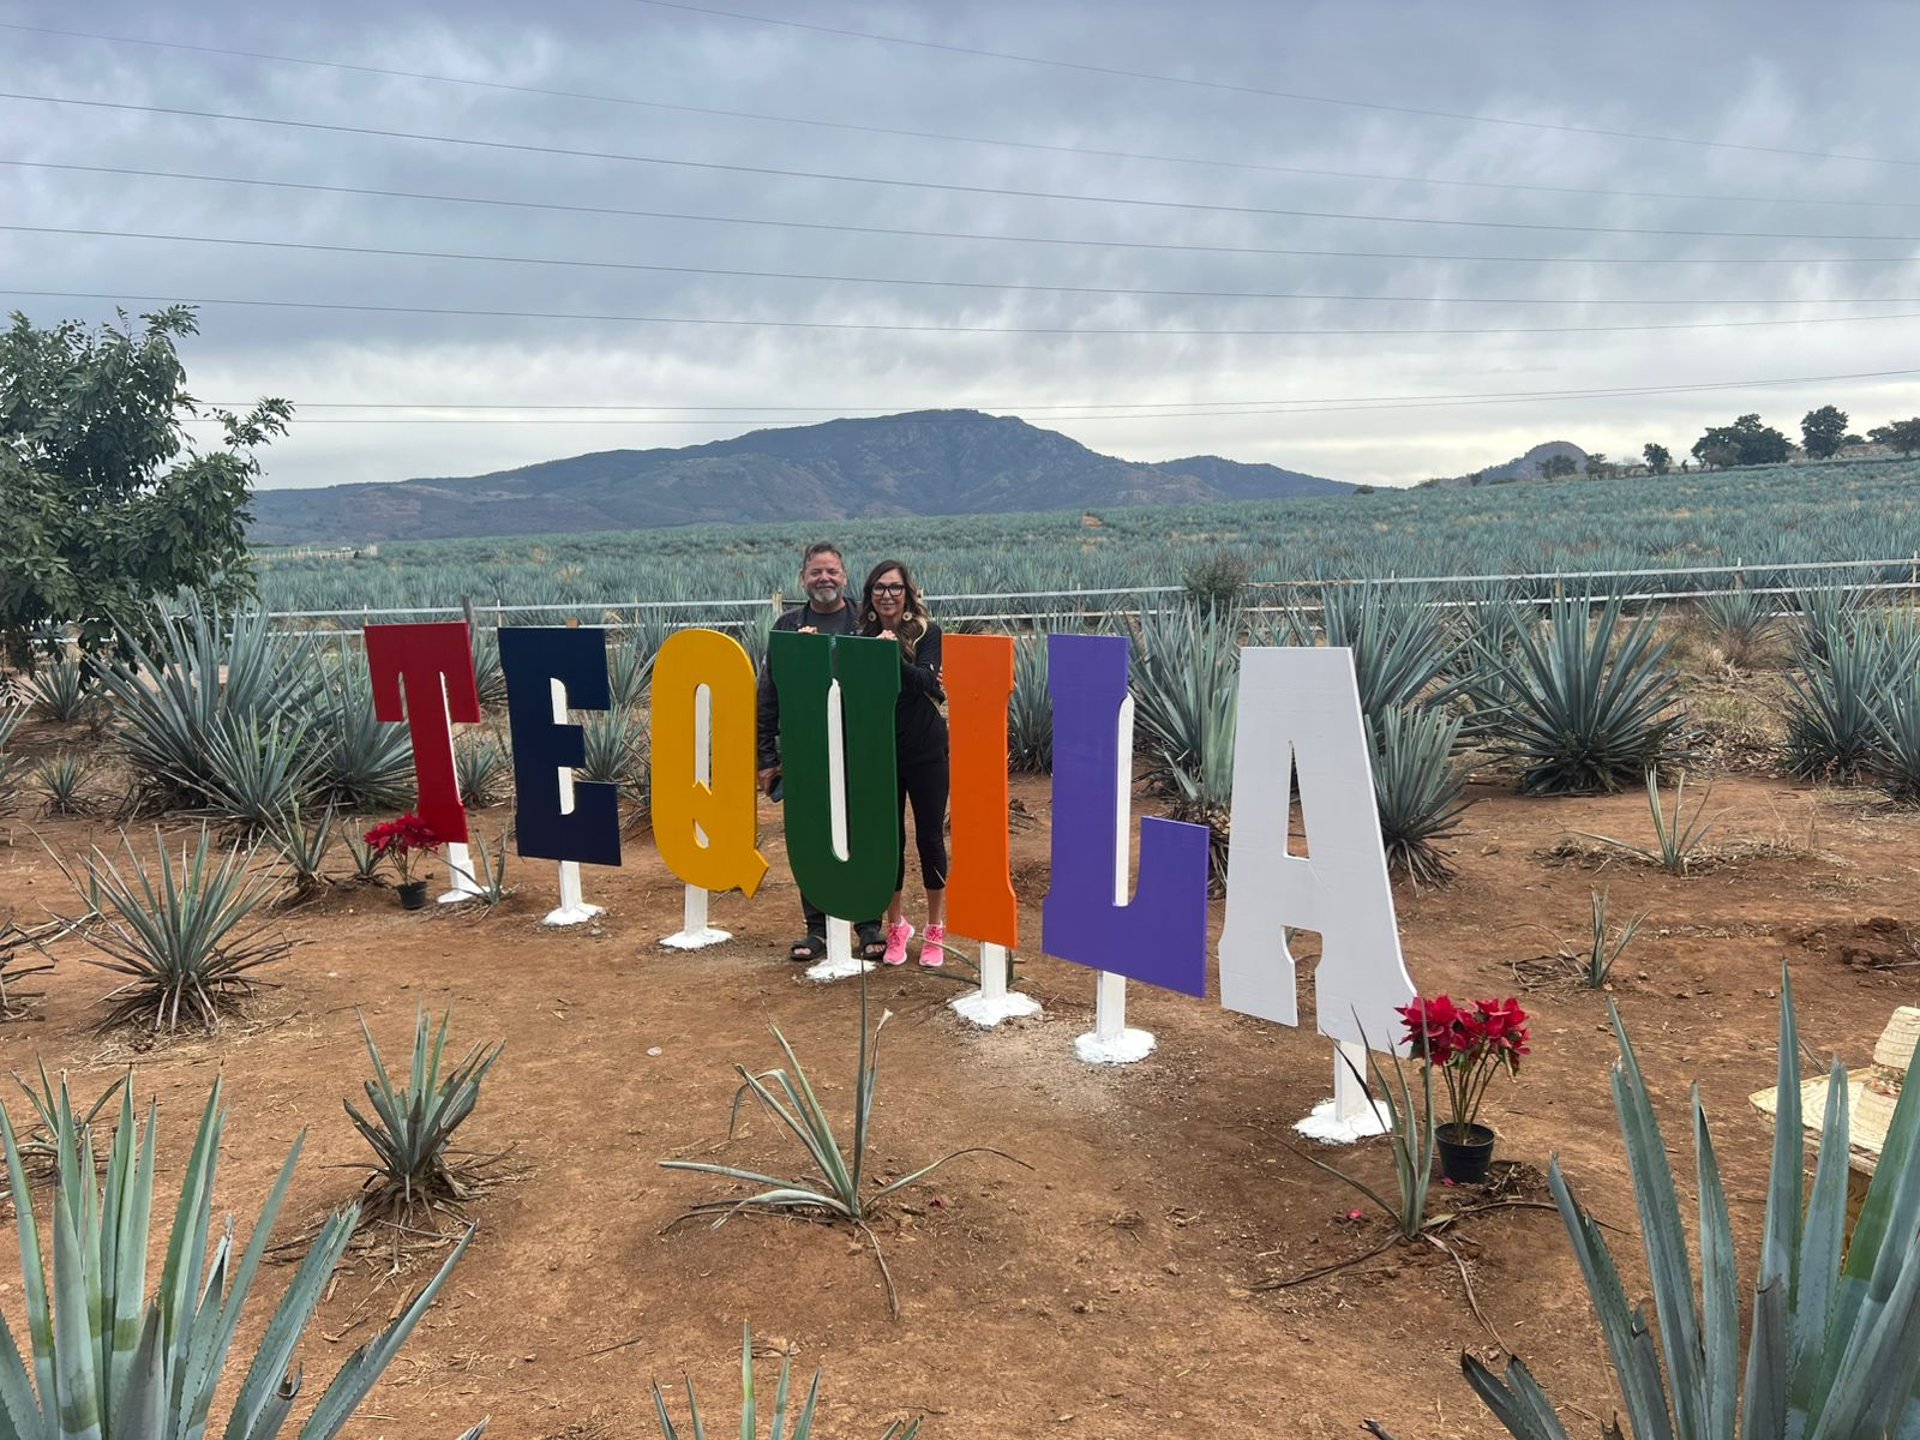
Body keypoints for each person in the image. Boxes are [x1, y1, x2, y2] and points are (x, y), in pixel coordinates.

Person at [756, 542, 887, 963]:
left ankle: (867, 925)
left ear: (845, 576)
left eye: (831, 571)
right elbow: (769, 695)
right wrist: (766, 757)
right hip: (806, 749)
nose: (824, 579)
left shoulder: (865, 623)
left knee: (862, 830)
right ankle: (818, 930)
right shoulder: (789, 626)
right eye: (816, 572)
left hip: (861, 748)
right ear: (803, 579)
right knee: (811, 831)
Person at [857, 559, 950, 967]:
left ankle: (935, 928)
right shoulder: (861, 635)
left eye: (894, 587)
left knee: (929, 837)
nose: (887, 595)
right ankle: (896, 926)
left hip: (926, 748)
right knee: (887, 841)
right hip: (881, 748)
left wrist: (891, 656)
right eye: (879, 588)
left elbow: (932, 685)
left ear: (907, 592)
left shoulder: (929, 633)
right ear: (869, 595)